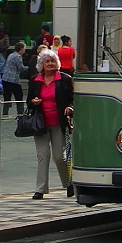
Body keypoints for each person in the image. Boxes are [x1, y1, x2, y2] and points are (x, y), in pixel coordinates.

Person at [27, 51, 73, 199]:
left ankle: (68, 184)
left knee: (59, 156)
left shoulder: (64, 79)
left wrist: (70, 107)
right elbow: (28, 100)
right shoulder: (35, 80)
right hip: (40, 124)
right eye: (47, 61)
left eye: (52, 61)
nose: (50, 64)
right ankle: (40, 189)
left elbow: (72, 98)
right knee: (43, 156)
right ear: (42, 64)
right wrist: (33, 102)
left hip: (58, 122)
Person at [1, 41, 26, 117]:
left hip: (5, 78)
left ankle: (5, 112)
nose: (24, 51)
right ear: (21, 49)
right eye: (24, 49)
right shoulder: (18, 56)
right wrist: (29, 68)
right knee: (19, 96)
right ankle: (20, 112)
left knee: (7, 96)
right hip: (14, 79)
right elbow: (21, 68)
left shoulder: (10, 55)